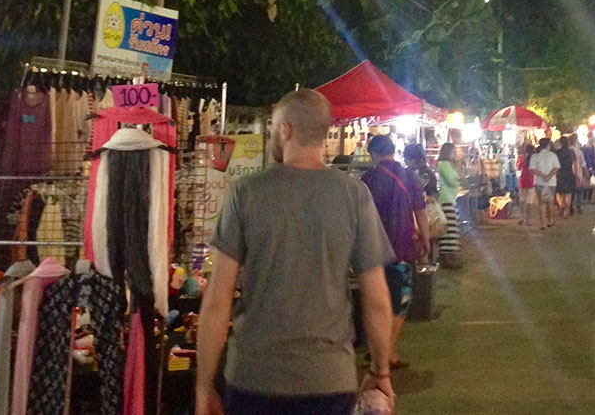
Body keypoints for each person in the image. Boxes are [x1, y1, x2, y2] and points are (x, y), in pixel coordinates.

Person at [196, 89, 395, 415]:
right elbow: (377, 299)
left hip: (253, 378)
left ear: (286, 129)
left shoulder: (245, 193)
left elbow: (218, 299)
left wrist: (204, 387)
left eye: (274, 127)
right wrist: (380, 370)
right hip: (329, 380)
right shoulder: (354, 195)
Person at [362, 136, 431, 370]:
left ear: (374, 154)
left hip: (371, 252)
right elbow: (421, 212)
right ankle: (388, 353)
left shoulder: (366, 179)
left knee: (375, 302)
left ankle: (377, 351)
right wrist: (426, 239)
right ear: (392, 151)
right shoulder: (408, 176)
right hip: (401, 249)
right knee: (400, 301)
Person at [436, 143, 462, 255]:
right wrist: (458, 179)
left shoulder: (446, 165)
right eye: (453, 152)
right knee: (450, 228)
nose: (455, 155)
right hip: (447, 199)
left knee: (452, 226)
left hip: (450, 198)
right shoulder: (444, 164)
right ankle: (447, 254)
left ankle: (449, 253)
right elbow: (452, 180)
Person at [530, 138, 561, 229]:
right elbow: (557, 167)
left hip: (539, 182)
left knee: (542, 203)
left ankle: (543, 223)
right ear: (548, 145)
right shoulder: (553, 155)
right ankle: (550, 220)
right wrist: (549, 176)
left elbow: (533, 169)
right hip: (551, 183)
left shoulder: (535, 156)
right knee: (550, 202)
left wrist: (543, 176)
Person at [555, 137, 577, 218]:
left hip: (560, 173)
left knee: (559, 192)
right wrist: (576, 174)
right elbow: (574, 164)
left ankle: (561, 205)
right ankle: (567, 210)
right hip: (569, 172)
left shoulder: (557, 152)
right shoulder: (571, 152)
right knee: (568, 192)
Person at [517, 144, 538, 227]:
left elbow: (518, 167)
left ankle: (522, 217)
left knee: (522, 200)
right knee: (529, 201)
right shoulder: (534, 159)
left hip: (523, 180)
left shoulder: (521, 158)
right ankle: (527, 219)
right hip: (531, 180)